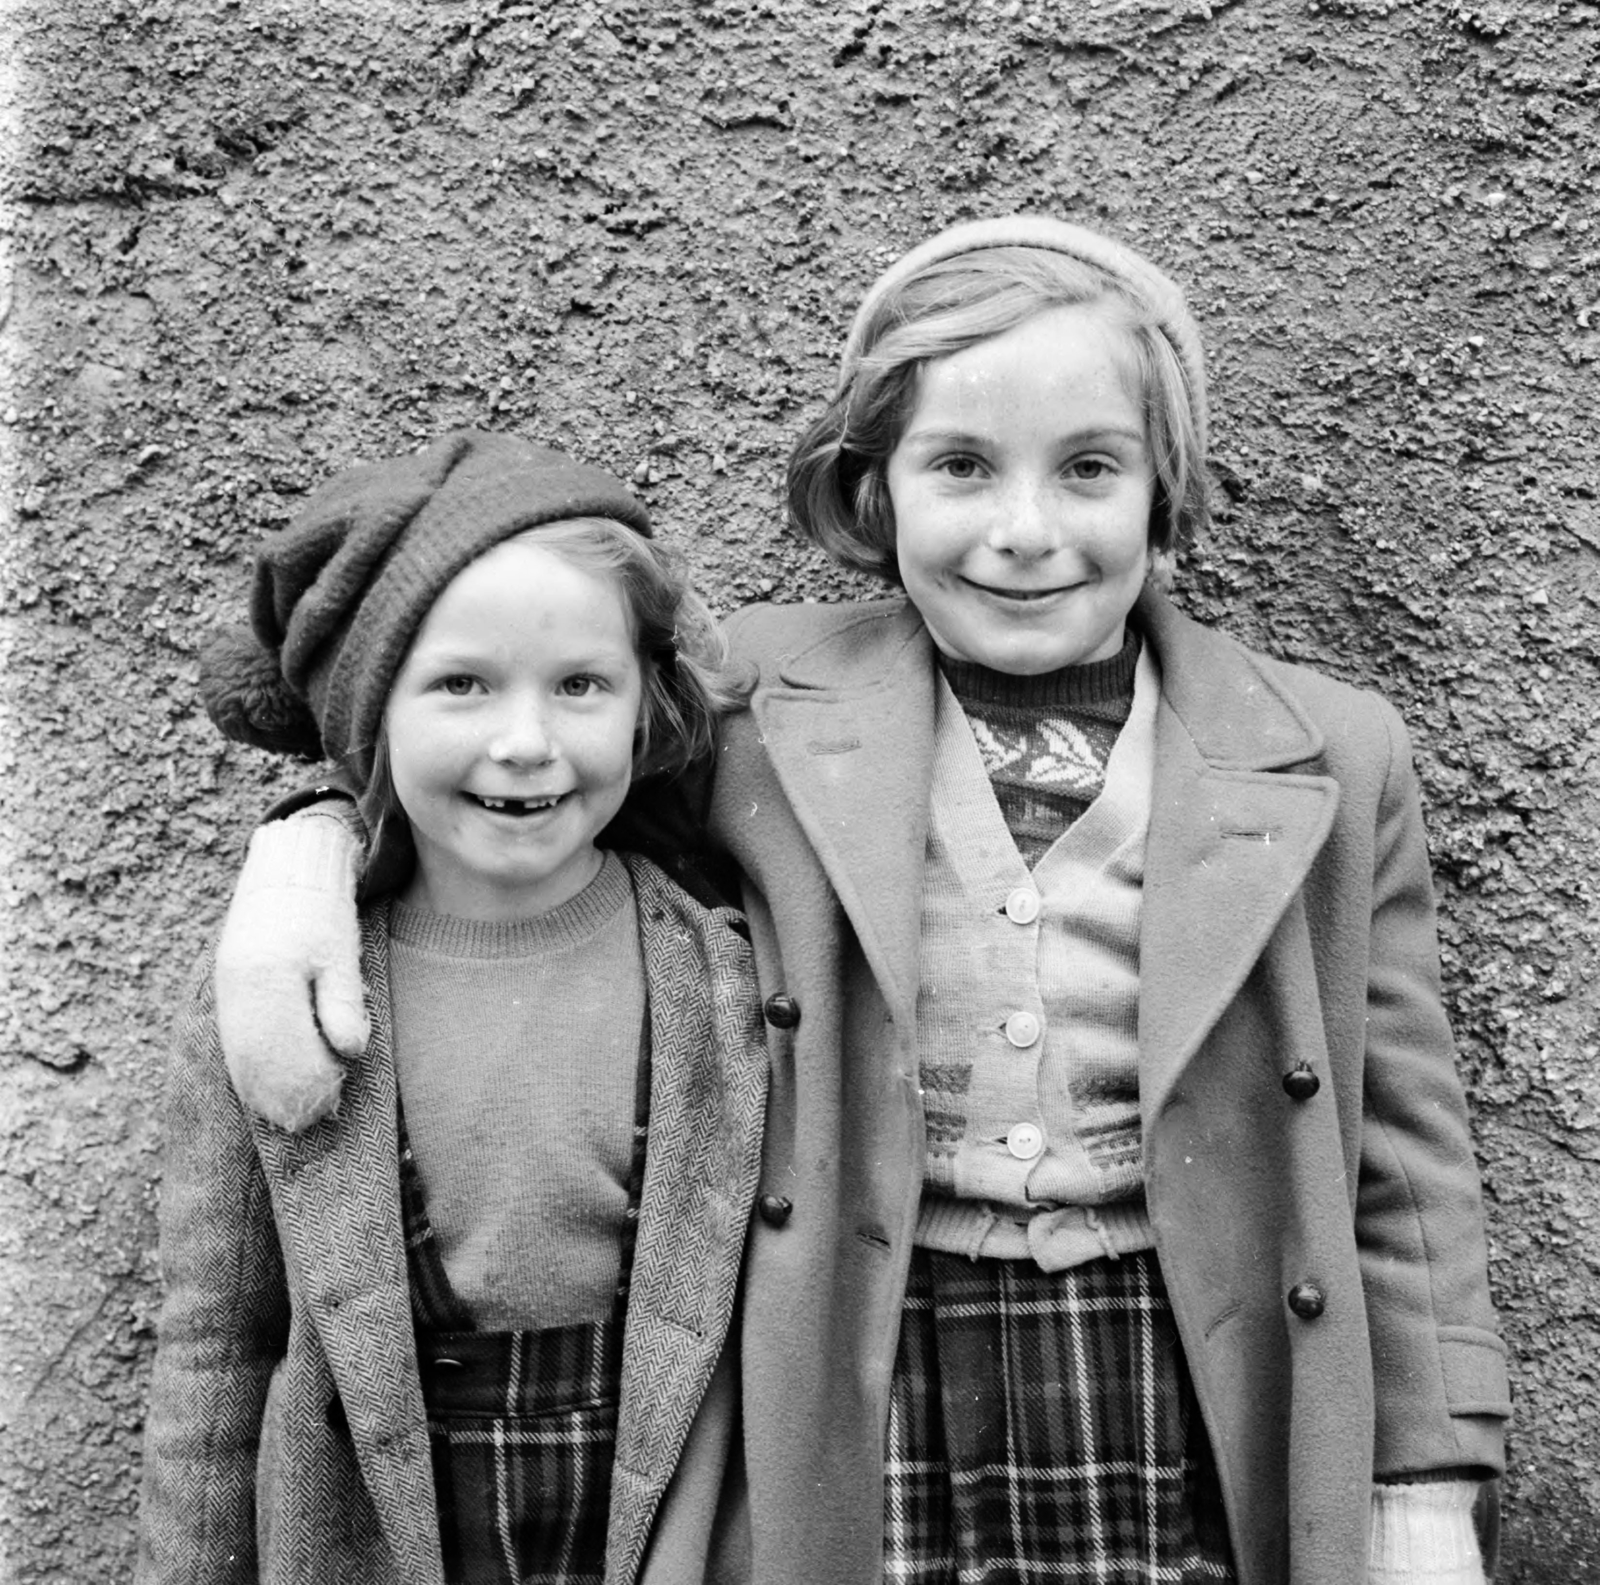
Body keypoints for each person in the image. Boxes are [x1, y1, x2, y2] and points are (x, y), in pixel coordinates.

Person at [203, 220, 1510, 1585]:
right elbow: (521, 801)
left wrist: (1419, 1494)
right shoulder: (750, 705)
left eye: (1088, 470)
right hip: (858, 1352)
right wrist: (304, 854)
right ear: (874, 488)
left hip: (1191, 1359)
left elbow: (1405, 1164)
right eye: (959, 466)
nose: (1024, 531)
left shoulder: (1333, 753)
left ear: (1162, 486)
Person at [134, 430, 767, 1585]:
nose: (523, 742)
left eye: (579, 684)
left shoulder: (721, 969)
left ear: (644, 703)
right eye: (462, 684)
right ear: (373, 711)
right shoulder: (280, 982)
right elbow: (218, 1346)